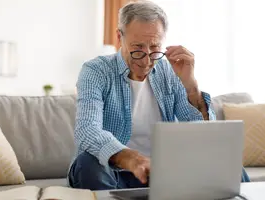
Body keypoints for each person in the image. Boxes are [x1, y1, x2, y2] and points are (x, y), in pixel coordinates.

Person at [67, 0, 250, 190]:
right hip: (114, 171)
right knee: (87, 164)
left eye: (154, 48)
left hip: (163, 171)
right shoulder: (95, 71)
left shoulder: (170, 69)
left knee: (229, 164)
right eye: (138, 48)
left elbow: (204, 135)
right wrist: (132, 159)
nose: (146, 60)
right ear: (119, 37)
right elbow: (87, 131)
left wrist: (191, 86)